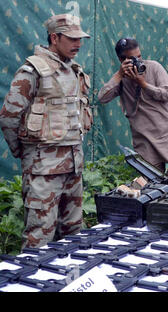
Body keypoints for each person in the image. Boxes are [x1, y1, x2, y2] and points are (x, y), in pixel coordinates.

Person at [0, 14, 92, 249]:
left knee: (72, 232)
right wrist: (22, 151)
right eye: (72, 39)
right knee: (39, 237)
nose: (78, 44)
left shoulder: (75, 71)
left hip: (73, 166)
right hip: (43, 168)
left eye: (79, 38)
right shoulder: (33, 71)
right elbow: (9, 115)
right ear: (54, 37)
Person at [97, 38, 168, 177]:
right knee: (150, 182)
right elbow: (102, 98)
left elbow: (166, 94)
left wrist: (143, 84)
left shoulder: (154, 67)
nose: (138, 61)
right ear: (121, 59)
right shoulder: (121, 78)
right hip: (145, 137)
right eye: (133, 59)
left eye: (139, 56)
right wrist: (119, 75)